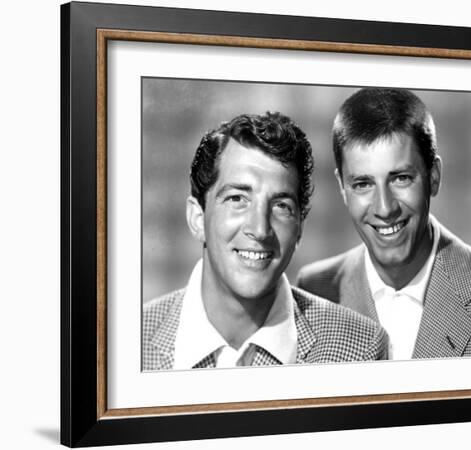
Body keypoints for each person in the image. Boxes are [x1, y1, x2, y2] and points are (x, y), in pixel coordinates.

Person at [143, 111, 387, 370]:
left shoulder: (361, 350)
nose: (260, 229)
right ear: (197, 218)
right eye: (237, 199)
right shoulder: (124, 342)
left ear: (299, 229)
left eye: (281, 206)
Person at [297, 88, 471, 360]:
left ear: (434, 177)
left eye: (401, 178)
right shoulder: (313, 289)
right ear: (342, 188)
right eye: (362, 184)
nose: (385, 208)